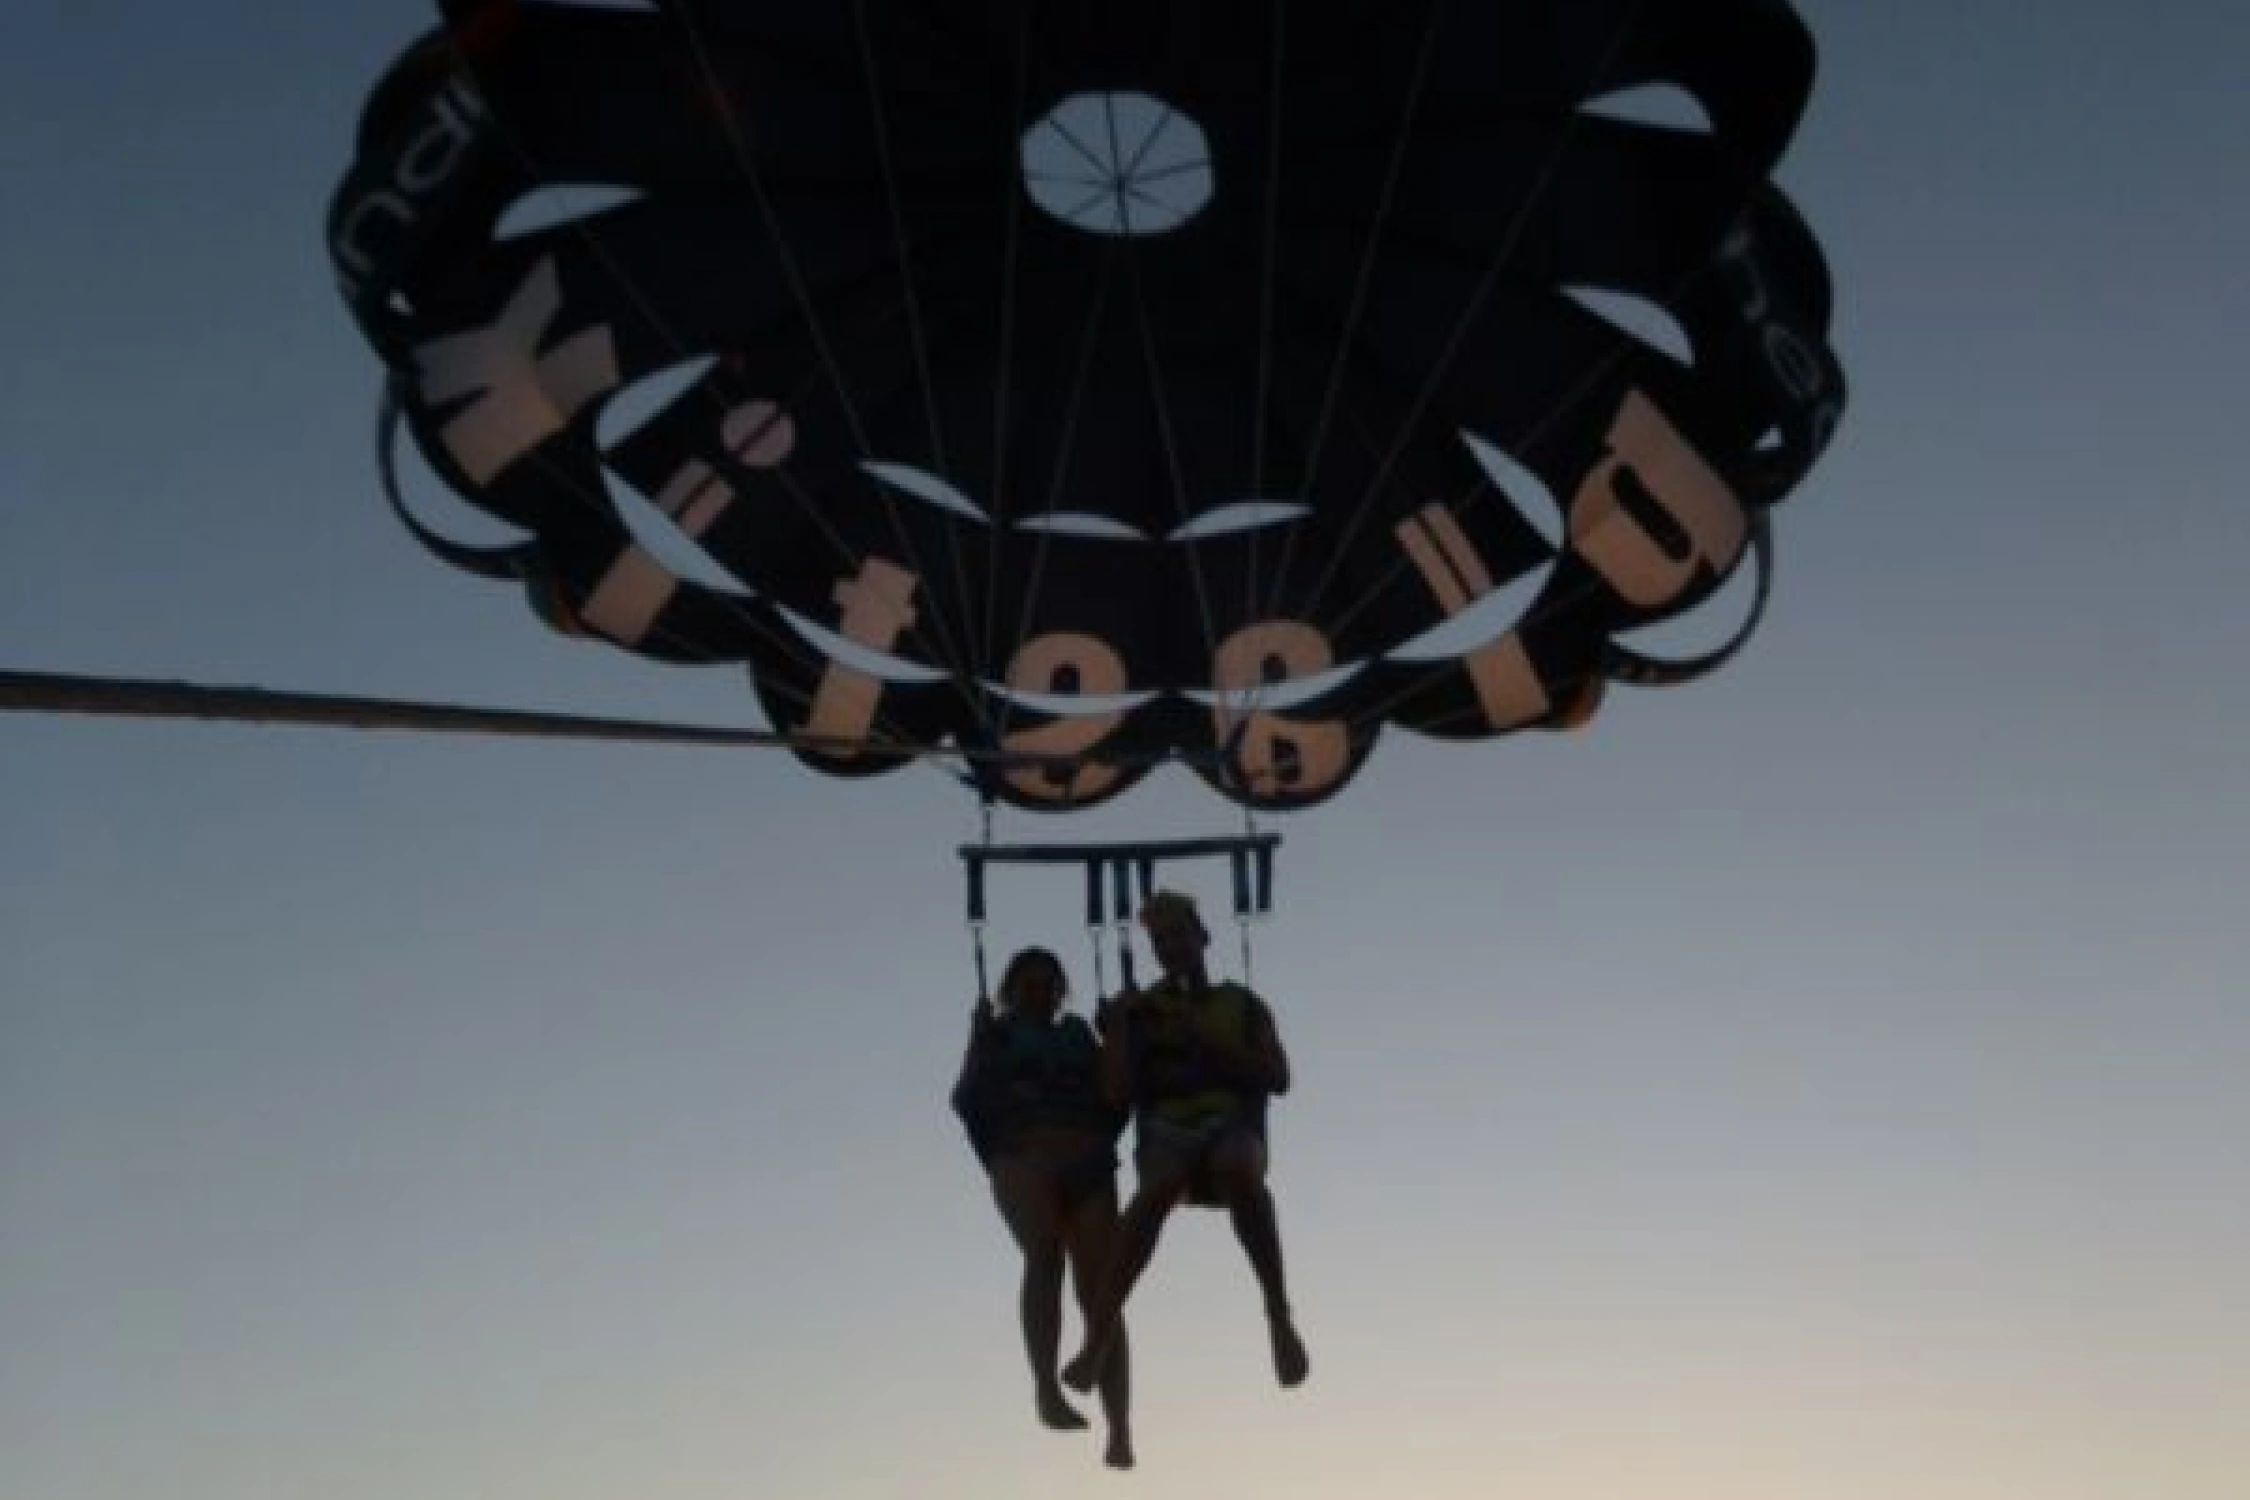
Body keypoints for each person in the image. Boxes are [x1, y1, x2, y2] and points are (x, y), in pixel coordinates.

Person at [1061, 890, 1308, 1394]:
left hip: (1229, 1125)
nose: (1172, 947)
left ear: (1202, 938)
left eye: (1179, 935)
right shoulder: (1142, 1008)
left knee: (1239, 1167)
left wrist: (1202, 1035)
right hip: (1166, 1133)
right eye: (1161, 940)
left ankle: (1278, 1312)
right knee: (1157, 1188)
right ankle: (1097, 1336)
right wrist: (1121, 1036)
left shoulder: (1242, 1003)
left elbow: (1278, 1077)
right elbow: (1116, 1094)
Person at [951, 946, 1135, 1468]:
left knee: (1101, 1291)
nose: (1038, 992)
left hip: (1086, 1155)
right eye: (1027, 984)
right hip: (1022, 1153)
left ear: (1060, 991)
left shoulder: (1077, 1034)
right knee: (1045, 1251)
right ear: (1009, 990)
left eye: (1047, 984)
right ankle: (1047, 1390)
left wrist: (1117, 1033)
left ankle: (1119, 1427)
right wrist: (976, 1041)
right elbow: (966, 1098)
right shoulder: (998, 1036)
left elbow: (1116, 1093)